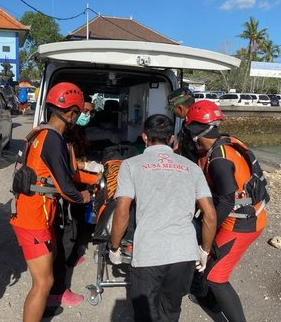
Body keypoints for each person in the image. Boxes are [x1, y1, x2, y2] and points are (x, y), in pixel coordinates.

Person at [109, 114, 217, 322]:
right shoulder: (192, 167)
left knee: (146, 315)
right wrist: (204, 250)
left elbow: (122, 209)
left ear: (144, 137)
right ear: (172, 139)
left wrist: (114, 247)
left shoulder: (131, 165)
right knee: (171, 311)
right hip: (184, 254)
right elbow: (210, 214)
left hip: (149, 254)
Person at [10, 82, 101, 322]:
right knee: (43, 282)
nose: (78, 117)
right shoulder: (53, 139)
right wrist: (87, 196)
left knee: (48, 268)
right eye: (79, 113)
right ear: (71, 112)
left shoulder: (41, 132)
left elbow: (61, 171)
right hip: (33, 217)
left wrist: (91, 175)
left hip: (34, 211)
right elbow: (67, 188)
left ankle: (47, 304)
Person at [184, 100, 268, 322]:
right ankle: (212, 300)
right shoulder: (224, 145)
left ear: (193, 130)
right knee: (212, 263)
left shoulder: (219, 160)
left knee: (216, 276)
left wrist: (206, 242)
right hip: (245, 215)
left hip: (243, 223)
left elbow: (226, 202)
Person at [49, 97, 102, 306]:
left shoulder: (56, 136)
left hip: (54, 197)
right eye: (82, 111)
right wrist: (90, 179)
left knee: (69, 230)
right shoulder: (57, 138)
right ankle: (56, 291)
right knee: (62, 237)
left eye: (89, 112)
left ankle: (66, 264)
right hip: (50, 201)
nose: (85, 116)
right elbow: (68, 174)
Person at [166, 86, 197, 162]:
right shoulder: (186, 123)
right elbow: (179, 146)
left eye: (173, 109)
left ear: (180, 108)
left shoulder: (196, 125)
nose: (172, 112)